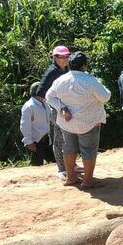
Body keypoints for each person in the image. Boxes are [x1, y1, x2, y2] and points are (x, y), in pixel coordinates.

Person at [46, 52, 111, 189]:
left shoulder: (60, 80)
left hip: (67, 122)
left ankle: (71, 178)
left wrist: (61, 107)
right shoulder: (90, 80)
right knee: (88, 150)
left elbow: (49, 96)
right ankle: (87, 181)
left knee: (68, 148)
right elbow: (105, 97)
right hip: (88, 122)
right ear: (84, 66)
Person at [37, 45, 74, 179]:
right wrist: (56, 101)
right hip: (58, 110)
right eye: (61, 57)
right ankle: (61, 169)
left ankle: (71, 165)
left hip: (69, 108)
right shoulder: (51, 72)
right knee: (59, 140)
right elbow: (40, 92)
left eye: (66, 56)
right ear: (54, 57)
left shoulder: (67, 69)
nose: (64, 59)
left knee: (69, 138)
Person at [20, 82, 55, 166]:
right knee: (37, 166)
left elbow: (50, 117)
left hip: (47, 139)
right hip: (36, 141)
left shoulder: (45, 103)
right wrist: (29, 142)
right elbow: (24, 125)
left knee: (55, 163)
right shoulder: (29, 106)